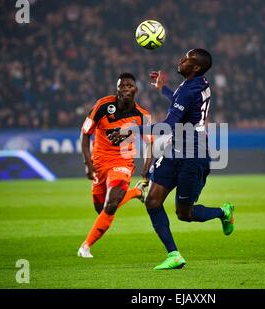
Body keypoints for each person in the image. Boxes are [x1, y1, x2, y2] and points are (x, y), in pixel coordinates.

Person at [111, 49, 235, 270]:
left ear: (196, 67)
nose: (182, 60)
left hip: (193, 155)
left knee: (184, 214)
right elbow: (181, 102)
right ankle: (174, 255)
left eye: (188, 59)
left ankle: (223, 212)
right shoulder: (196, 82)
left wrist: (130, 130)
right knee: (152, 201)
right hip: (174, 149)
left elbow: (168, 124)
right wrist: (163, 89)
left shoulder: (189, 89)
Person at [77, 73, 152, 258]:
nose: (126, 89)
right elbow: (85, 133)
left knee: (111, 204)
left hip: (123, 163)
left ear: (135, 90)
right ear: (117, 89)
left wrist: (147, 164)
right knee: (101, 208)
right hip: (99, 162)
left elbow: (151, 143)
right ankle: (136, 192)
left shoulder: (143, 116)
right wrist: (88, 165)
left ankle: (85, 246)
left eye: (129, 86)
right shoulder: (103, 106)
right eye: (122, 86)